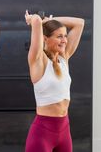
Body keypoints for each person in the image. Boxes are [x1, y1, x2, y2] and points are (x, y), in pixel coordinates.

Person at [24, 10, 84, 152]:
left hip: (64, 131)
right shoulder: (38, 60)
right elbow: (37, 21)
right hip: (42, 134)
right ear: (45, 39)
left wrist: (49, 20)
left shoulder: (64, 59)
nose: (64, 40)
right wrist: (38, 20)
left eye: (65, 36)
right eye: (59, 36)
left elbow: (79, 23)